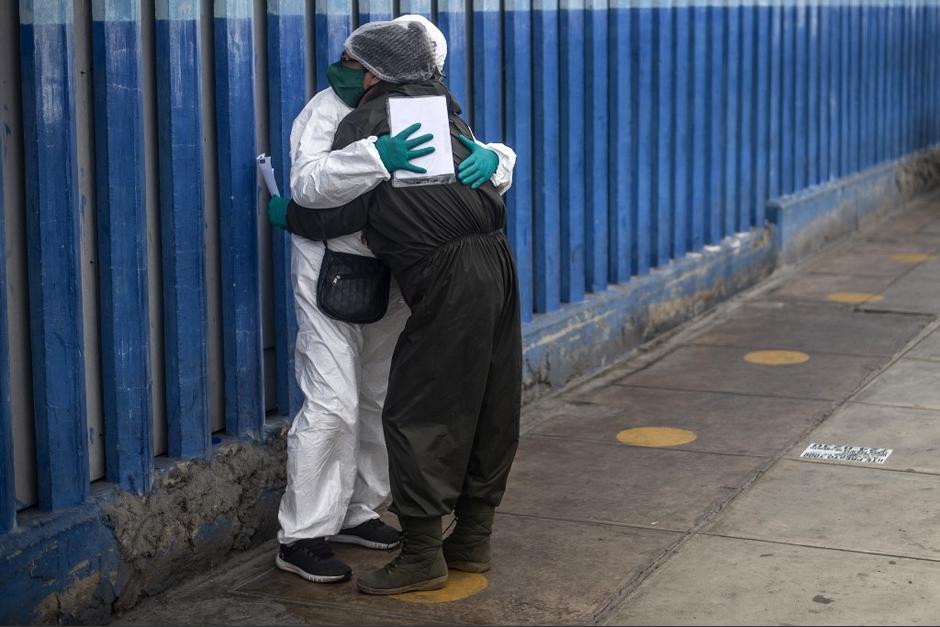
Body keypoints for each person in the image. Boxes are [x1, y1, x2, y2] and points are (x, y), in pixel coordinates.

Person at [273, 20, 522, 596]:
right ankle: (303, 535)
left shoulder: (418, 107)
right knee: (333, 402)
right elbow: (315, 190)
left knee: (386, 398)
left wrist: (496, 158)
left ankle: (360, 510)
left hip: (401, 271)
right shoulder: (331, 114)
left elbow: (459, 163)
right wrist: (371, 159)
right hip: (337, 270)